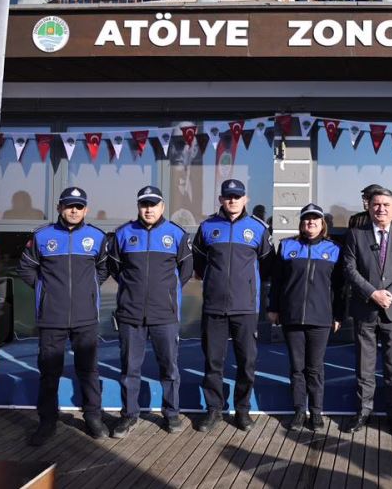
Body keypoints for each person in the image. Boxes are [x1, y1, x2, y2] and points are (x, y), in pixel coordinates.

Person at [16, 187, 110, 445]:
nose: (74, 210)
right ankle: (47, 421)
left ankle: (93, 417)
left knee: (88, 370)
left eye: (79, 206)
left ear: (85, 210)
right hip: (51, 318)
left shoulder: (97, 237)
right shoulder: (42, 236)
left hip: (85, 317)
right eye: (69, 206)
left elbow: (103, 269)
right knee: (49, 372)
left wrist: (88, 292)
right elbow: (26, 268)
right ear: (59, 208)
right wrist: (46, 292)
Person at [108, 186, 193, 437]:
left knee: (169, 368)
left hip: (164, 314)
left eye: (153, 204)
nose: (148, 209)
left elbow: (186, 270)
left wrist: (166, 293)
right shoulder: (123, 233)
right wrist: (131, 290)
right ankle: (129, 415)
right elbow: (115, 268)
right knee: (129, 369)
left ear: (162, 207)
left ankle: (172, 414)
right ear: (138, 206)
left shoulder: (176, 234)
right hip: (130, 314)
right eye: (144, 204)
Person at [192, 179, 273, 432]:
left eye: (237, 196)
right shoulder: (207, 227)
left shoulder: (257, 229)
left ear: (245, 199)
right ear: (221, 199)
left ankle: (242, 410)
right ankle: (214, 410)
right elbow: (198, 265)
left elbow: (267, 266)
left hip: (245, 308)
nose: (232, 200)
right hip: (214, 307)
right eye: (228, 196)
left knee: (246, 362)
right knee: (213, 362)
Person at [342, 187, 392, 435]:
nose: (381, 209)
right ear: (369, 207)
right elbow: (349, 269)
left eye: (386, 205)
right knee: (364, 366)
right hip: (365, 309)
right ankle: (364, 411)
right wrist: (372, 293)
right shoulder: (356, 235)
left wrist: (390, 294)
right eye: (376, 204)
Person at [267, 203, 344, 431]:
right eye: (306, 219)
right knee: (297, 367)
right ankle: (299, 411)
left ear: (322, 224)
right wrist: (273, 308)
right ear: (301, 223)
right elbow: (277, 282)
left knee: (315, 368)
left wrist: (339, 315)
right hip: (292, 317)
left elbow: (340, 288)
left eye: (315, 219)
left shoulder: (334, 249)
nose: (311, 222)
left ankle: (316, 412)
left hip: (320, 318)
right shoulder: (287, 246)